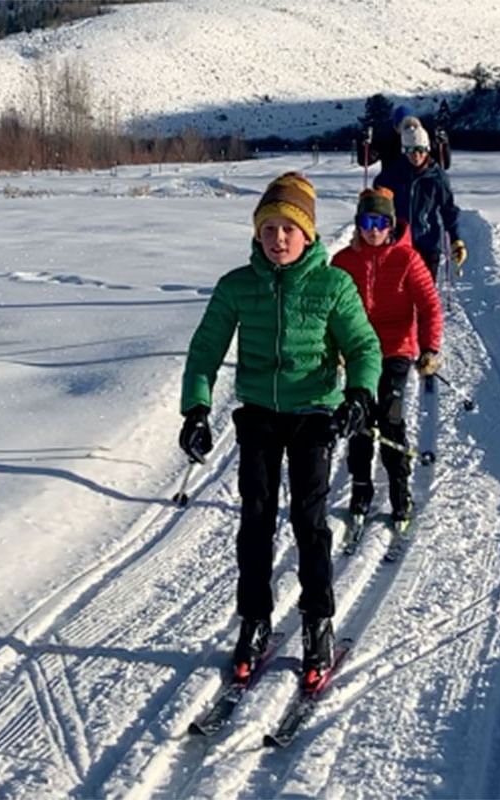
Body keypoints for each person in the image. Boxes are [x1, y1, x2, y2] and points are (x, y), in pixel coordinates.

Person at [178, 172, 382, 688]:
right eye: (268, 228)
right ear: (257, 234)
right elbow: (205, 350)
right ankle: (255, 620)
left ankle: (318, 622)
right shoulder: (237, 287)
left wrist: (359, 396)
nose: (279, 238)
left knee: (308, 523)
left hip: (315, 413)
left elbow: (363, 348)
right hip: (260, 416)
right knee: (255, 522)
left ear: (308, 234)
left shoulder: (333, 285)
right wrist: (196, 410)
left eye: (289, 228)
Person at [332, 187, 444, 525]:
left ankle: (399, 487)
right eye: (367, 221)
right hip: (357, 351)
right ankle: (361, 487)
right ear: (358, 224)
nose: (374, 229)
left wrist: (429, 349)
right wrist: (334, 348)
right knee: (361, 419)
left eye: (381, 222)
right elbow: (330, 311)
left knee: (391, 416)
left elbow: (429, 306)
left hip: (396, 349)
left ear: (391, 224)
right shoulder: (343, 262)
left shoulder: (406, 258)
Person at [374, 120, 467, 285]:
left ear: (427, 149)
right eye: (410, 150)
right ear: (404, 150)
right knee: (400, 294)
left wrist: (456, 239)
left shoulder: (437, 177)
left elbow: (448, 210)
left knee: (424, 293)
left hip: (428, 244)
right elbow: (377, 199)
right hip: (399, 243)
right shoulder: (392, 174)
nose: (415, 155)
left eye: (420, 150)